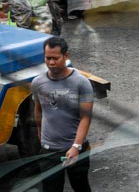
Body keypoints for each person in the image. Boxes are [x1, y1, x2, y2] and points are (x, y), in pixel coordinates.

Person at [32, 37, 94, 192]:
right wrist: (40, 132)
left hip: (75, 149)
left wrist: (76, 146)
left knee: (81, 187)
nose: (51, 62)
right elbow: (38, 109)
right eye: (47, 58)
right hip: (49, 151)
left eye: (55, 58)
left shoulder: (81, 83)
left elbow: (85, 117)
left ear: (66, 56)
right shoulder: (38, 83)